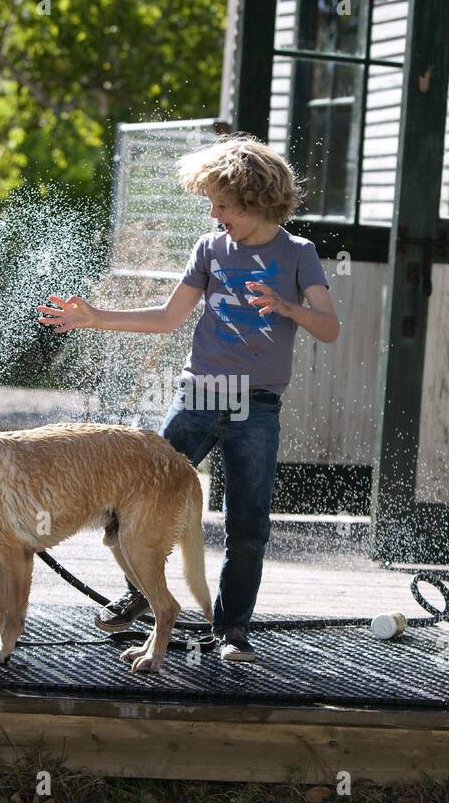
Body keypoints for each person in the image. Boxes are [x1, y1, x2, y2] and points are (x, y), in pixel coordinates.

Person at [37, 133, 340, 663]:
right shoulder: (210, 248)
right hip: (197, 395)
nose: (214, 213)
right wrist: (94, 318)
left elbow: (330, 328)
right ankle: (141, 595)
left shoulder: (299, 255)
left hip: (258, 407)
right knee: (129, 500)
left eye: (222, 204)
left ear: (254, 200)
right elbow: (167, 318)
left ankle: (231, 629)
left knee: (248, 525)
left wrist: (288, 308)